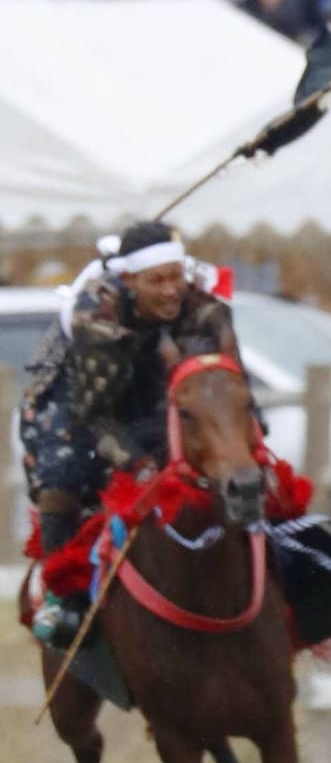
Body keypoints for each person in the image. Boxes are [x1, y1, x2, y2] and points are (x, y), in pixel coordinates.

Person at [18, 223, 240, 647]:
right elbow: (96, 414)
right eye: (157, 280)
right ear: (128, 280)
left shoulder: (205, 306)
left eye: (177, 275)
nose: (172, 290)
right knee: (66, 469)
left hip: (158, 382)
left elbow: (228, 381)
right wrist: (138, 464)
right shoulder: (96, 322)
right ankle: (61, 594)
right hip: (82, 396)